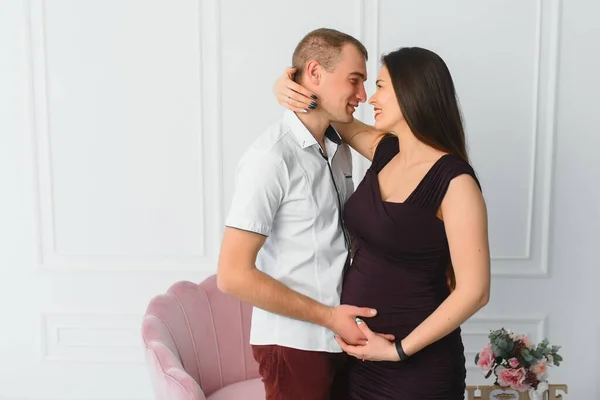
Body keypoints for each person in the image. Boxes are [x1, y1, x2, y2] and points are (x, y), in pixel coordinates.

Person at [275, 46, 491, 399]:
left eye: (380, 86)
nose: (369, 98)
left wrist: (397, 350)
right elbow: (329, 112)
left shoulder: (456, 183)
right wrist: (287, 86)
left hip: (416, 368)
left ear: (412, 92)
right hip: (358, 360)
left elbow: (475, 291)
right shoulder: (387, 152)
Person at [217, 28, 395, 400]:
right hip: (294, 346)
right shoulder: (270, 158)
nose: (362, 96)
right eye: (354, 80)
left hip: (341, 341)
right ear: (314, 73)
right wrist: (330, 317)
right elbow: (232, 275)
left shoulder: (339, 148)